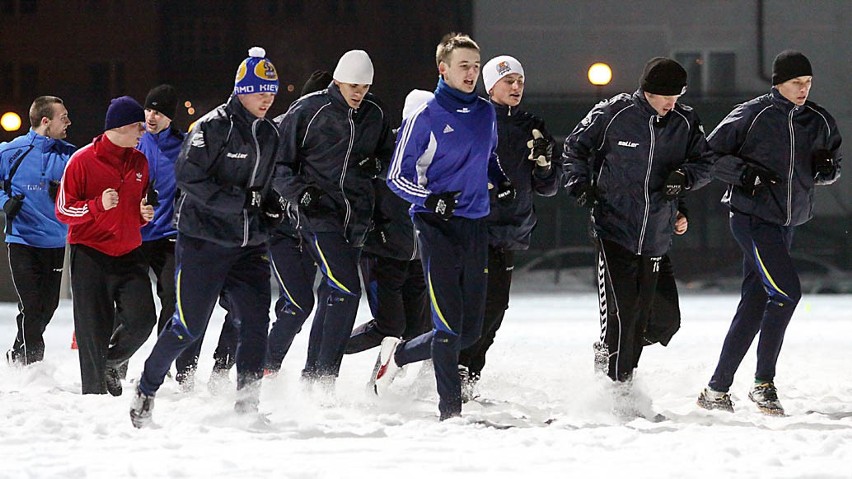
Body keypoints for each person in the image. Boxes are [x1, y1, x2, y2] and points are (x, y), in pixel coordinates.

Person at [130, 47, 280, 427]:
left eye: (272, 92)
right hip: (203, 242)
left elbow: (268, 184)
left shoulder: (270, 132)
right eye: (260, 90)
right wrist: (240, 201)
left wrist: (275, 206)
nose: (267, 98)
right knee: (188, 325)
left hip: (249, 246)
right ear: (241, 90)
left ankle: (247, 406)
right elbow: (190, 178)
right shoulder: (212, 127)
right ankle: (147, 387)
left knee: (256, 321)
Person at [375, 33, 515, 420]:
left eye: (475, 65)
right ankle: (450, 414)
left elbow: (488, 158)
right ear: (443, 69)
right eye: (463, 66)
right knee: (449, 328)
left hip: (475, 225)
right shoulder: (427, 115)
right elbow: (396, 178)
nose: (471, 73)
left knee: (468, 332)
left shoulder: (486, 111)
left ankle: (399, 354)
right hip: (435, 226)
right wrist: (429, 199)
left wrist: (500, 181)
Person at [697, 50, 842, 416]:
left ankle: (716, 390)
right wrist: (744, 175)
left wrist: (827, 171)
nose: (803, 89)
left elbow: (832, 163)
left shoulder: (819, 120)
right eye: (796, 83)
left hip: (785, 222)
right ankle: (763, 383)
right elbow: (707, 155)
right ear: (777, 82)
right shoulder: (753, 113)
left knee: (756, 301)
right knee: (787, 293)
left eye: (808, 83)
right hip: (751, 217)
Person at [562, 57, 714, 392]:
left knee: (663, 321)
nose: (671, 103)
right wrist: (578, 184)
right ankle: (618, 389)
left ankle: (615, 353)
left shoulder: (686, 121)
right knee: (625, 315)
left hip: (657, 234)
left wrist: (683, 182)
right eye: (665, 96)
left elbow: (704, 163)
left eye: (677, 96)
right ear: (647, 91)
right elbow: (574, 148)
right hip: (613, 228)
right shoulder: (613, 113)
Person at [273, 50, 393, 384]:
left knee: (332, 294)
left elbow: (389, 155)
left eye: (365, 87)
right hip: (316, 216)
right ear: (338, 81)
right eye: (353, 85)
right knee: (347, 288)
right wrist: (300, 193)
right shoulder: (308, 111)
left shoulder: (376, 114)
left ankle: (315, 376)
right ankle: (323, 376)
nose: (359, 93)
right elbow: (279, 165)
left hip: (355, 220)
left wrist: (378, 166)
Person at [456, 55, 560, 400]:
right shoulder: (473, 120)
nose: (516, 87)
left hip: (512, 231)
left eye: (520, 81)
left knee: (496, 309)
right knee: (477, 306)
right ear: (491, 86)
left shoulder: (534, 125)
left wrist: (545, 165)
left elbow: (549, 186)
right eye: (508, 81)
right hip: (476, 227)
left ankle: (468, 373)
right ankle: (455, 368)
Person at [55, 96, 156, 395]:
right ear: (123, 126)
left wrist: (141, 216)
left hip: (129, 253)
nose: (143, 132)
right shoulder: (82, 160)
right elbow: (63, 209)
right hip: (90, 254)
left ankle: (111, 363)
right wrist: (97, 205)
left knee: (143, 320)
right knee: (92, 331)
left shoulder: (140, 161)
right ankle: (94, 397)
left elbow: (133, 209)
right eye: (139, 126)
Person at [344, 90, 435, 356]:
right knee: (388, 326)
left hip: (418, 255)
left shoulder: (440, 152)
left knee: (416, 330)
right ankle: (328, 350)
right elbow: (358, 187)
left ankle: (381, 382)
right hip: (383, 253)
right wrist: (373, 230)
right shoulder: (385, 148)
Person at [1, 96, 75, 365]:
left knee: (47, 308)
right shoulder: (11, 151)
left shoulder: (70, 155)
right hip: (22, 241)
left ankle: (17, 353)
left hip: (55, 242)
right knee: (32, 306)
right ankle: (32, 366)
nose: (68, 122)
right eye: (63, 117)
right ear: (46, 121)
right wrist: (4, 202)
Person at [136, 84, 184, 336]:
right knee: (128, 303)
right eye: (148, 110)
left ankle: (160, 364)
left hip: (168, 236)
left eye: (158, 113)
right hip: (136, 235)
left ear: (169, 117)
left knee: (173, 298)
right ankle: (115, 363)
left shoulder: (183, 146)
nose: (151, 117)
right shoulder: (133, 139)